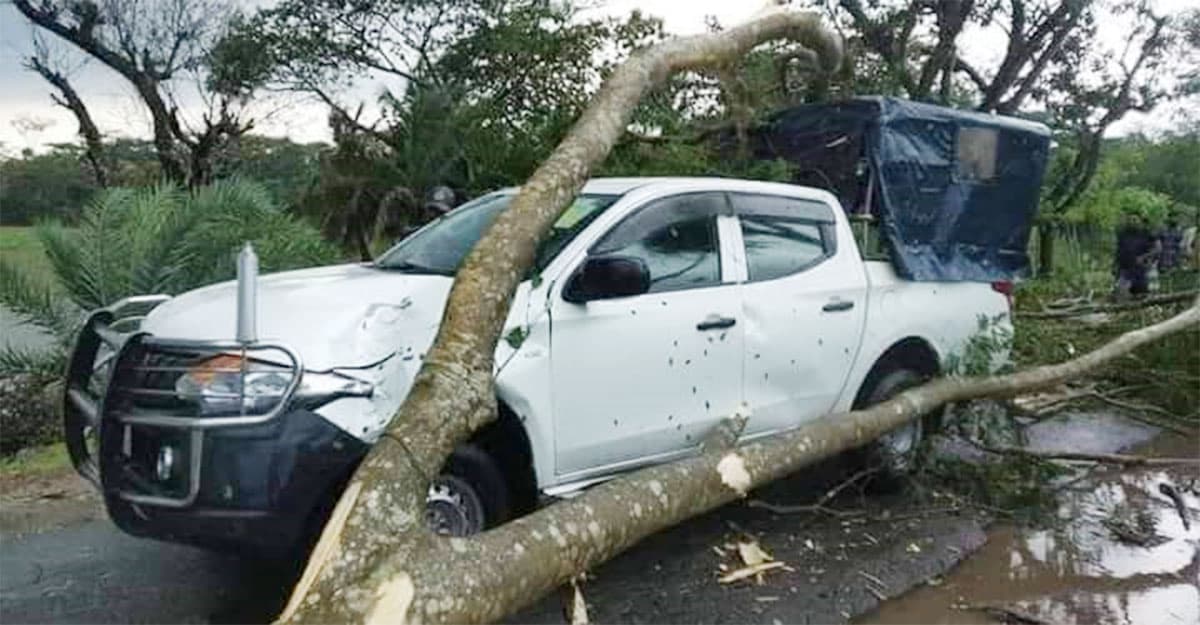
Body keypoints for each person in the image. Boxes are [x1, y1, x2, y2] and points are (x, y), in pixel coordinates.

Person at [1114, 214, 1158, 298]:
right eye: (1130, 219)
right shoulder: (1123, 234)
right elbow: (1118, 250)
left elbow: (1157, 249)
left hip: (1141, 270)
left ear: (1140, 221)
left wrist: (1144, 257)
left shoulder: (1146, 234)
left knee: (1142, 295)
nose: (1132, 222)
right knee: (1121, 293)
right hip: (1125, 270)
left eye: (1135, 219)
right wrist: (1115, 265)